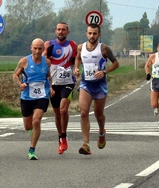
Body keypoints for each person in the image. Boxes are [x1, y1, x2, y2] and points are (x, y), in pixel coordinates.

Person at [74, 24, 119, 155]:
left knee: (98, 114)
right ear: (86, 33)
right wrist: (76, 68)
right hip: (86, 84)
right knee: (83, 112)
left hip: (100, 86)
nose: (92, 36)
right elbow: (77, 58)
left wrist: (104, 71)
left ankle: (101, 132)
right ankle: (86, 144)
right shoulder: (81, 47)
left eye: (94, 33)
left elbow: (116, 63)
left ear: (99, 34)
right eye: (89, 33)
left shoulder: (104, 49)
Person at [12, 38, 54, 160]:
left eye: (40, 48)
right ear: (31, 48)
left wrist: (51, 88)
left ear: (43, 49)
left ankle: (32, 149)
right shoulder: (24, 61)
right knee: (27, 126)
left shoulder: (47, 62)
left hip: (42, 95)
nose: (37, 51)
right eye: (35, 48)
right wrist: (20, 84)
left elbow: (48, 76)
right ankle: (32, 131)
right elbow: (15, 75)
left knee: (37, 121)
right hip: (27, 96)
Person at [43, 22, 77, 155]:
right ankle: (61, 138)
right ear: (55, 31)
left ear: (68, 32)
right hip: (54, 83)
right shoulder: (49, 44)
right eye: (59, 29)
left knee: (63, 109)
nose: (61, 32)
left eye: (63, 30)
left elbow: (76, 61)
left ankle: (64, 134)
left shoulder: (72, 45)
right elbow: (43, 58)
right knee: (57, 113)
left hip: (68, 81)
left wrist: (77, 69)